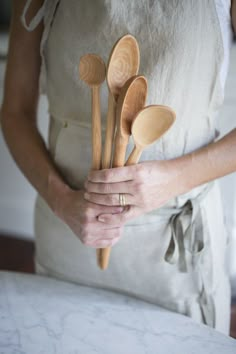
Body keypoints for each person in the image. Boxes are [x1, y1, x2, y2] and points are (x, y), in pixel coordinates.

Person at [1, 0, 236, 335]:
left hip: (172, 258)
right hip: (67, 236)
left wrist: (172, 179)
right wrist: (61, 199)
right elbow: (15, 111)